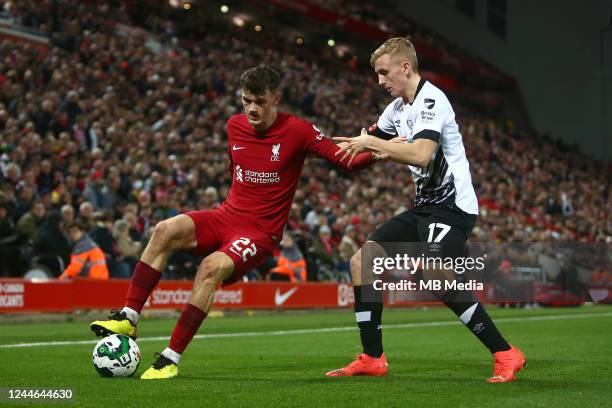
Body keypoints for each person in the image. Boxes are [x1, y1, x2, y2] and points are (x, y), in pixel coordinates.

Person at [89, 66, 383, 380]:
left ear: (276, 100)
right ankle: (128, 316)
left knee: (210, 268)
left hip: (259, 232)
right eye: (246, 101)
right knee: (164, 231)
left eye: (259, 101)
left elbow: (347, 161)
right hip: (227, 215)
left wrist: (382, 149)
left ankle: (169, 359)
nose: (252, 108)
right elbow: (236, 171)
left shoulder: (299, 131)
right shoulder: (234, 126)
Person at [327, 37, 525, 383]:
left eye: (384, 73)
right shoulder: (395, 111)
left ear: (406, 68)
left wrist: (374, 144)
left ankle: (505, 353)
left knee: (430, 270)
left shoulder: (432, 99)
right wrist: (322, 147)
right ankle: (373, 357)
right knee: (363, 261)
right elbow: (364, 149)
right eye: (377, 74)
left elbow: (420, 154)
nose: (380, 81)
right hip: (424, 208)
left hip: (453, 208)